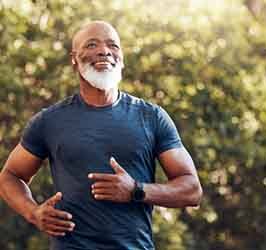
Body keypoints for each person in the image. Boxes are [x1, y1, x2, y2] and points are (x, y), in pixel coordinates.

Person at [0, 20, 202, 250]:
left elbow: (192, 190)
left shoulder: (151, 117)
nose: (104, 51)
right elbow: (10, 176)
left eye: (112, 45)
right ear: (74, 59)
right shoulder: (49, 121)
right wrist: (33, 212)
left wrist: (136, 190)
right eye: (91, 45)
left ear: (122, 58)